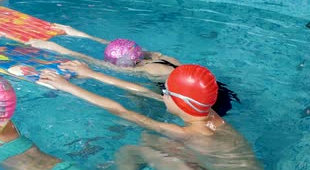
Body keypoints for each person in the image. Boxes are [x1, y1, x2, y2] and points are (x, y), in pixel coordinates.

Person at [38, 64, 264, 170]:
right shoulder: (209, 115)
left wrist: (68, 87)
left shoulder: (185, 131)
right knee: (150, 139)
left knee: (133, 151)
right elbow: (143, 91)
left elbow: (121, 111)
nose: (160, 95)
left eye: (165, 92)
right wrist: (91, 73)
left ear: (179, 101)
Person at [29, 24, 240, 116]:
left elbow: (96, 64)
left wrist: (58, 48)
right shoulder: (159, 57)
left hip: (207, 104)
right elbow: (122, 49)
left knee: (133, 92)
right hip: (212, 89)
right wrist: (80, 34)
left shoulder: (146, 71)